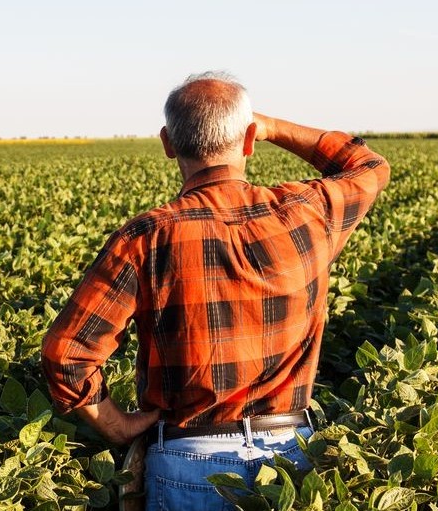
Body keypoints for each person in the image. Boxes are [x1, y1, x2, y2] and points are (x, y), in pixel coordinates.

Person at [40, 71, 390, 510]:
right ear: (248, 141)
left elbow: (66, 353)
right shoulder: (307, 213)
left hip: (187, 460)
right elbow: (369, 166)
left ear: (168, 144)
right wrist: (274, 128)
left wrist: (116, 425)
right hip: (288, 458)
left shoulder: (146, 237)